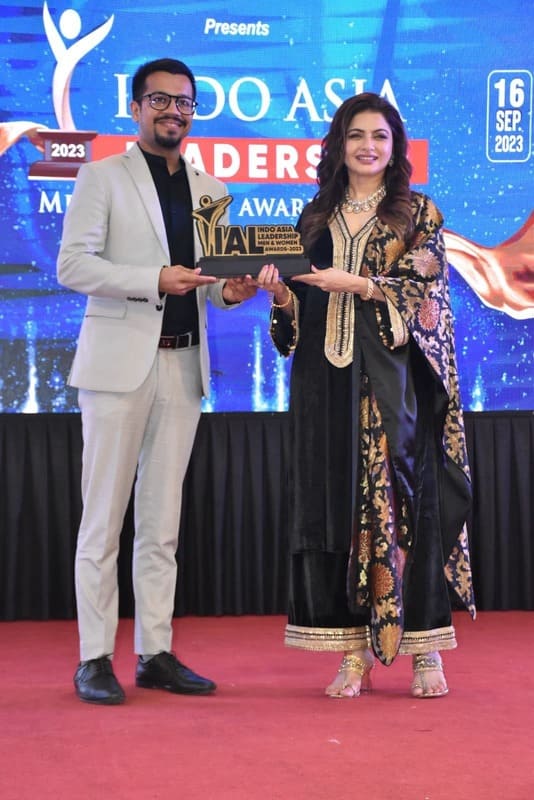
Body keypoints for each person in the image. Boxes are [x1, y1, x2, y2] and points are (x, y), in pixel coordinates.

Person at [258, 92, 476, 699]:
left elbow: (428, 293)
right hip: (324, 385)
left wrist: (360, 284)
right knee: (333, 509)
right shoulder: (313, 217)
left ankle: (425, 648)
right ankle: (352, 651)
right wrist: (280, 295)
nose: (367, 146)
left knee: (408, 508)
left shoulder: (417, 214)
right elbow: (296, 312)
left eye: (379, 136)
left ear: (395, 146)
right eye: (356, 135)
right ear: (338, 144)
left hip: (394, 388)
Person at [57, 57, 256, 705]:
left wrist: (233, 291)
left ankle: (155, 653)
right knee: (102, 521)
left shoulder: (211, 189)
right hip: (117, 368)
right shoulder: (100, 176)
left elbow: (213, 287)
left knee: (161, 523)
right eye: (161, 100)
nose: (175, 111)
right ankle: (93, 658)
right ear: (136, 107)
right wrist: (153, 280)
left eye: (185, 102)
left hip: (182, 365)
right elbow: (73, 266)